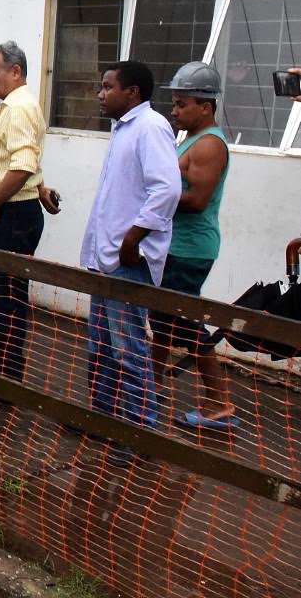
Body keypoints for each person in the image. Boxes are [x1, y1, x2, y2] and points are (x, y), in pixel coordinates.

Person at [80, 60, 180, 465]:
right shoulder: (124, 128)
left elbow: (167, 190)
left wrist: (133, 239)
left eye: (107, 87)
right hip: (107, 258)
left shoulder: (151, 127)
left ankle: (141, 435)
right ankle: (105, 420)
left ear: (132, 92)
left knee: (129, 350)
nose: (101, 95)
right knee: (101, 346)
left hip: (128, 261)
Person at [149, 62, 236, 429]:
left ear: (205, 105)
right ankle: (147, 387)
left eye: (182, 103)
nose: (175, 110)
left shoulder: (210, 144)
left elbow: (198, 199)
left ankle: (220, 404)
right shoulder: (188, 138)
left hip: (191, 248)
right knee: (162, 318)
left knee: (183, 324)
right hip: (175, 246)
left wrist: (154, 201)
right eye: (174, 102)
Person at [0, 41, 61, 389]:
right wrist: (39, 187)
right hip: (15, 209)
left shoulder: (19, 108)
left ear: (16, 71)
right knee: (2, 298)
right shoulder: (13, 106)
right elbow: (23, 162)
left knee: (4, 302)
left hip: (10, 214)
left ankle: (0, 382)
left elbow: (22, 166)